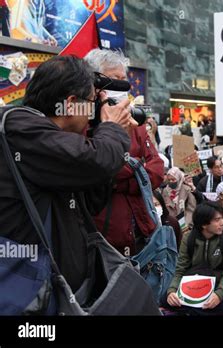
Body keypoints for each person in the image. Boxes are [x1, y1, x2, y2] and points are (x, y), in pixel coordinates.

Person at [0, 56, 132, 296]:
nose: (94, 111)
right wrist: (111, 128)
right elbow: (99, 161)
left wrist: (97, 130)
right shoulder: (20, 128)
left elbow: (92, 199)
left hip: (53, 287)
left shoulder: (52, 137)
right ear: (71, 103)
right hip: (27, 294)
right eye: (92, 102)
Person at [85, 49, 165, 256]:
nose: (121, 85)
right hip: (105, 234)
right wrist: (137, 171)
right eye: (114, 79)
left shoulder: (135, 120)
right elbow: (99, 166)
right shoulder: (84, 122)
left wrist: (123, 179)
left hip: (142, 227)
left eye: (124, 79)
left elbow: (156, 170)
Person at [165, 202, 223, 316]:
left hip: (218, 283)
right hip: (193, 285)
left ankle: (190, 311)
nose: (222, 223)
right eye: (217, 220)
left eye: (222, 218)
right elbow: (180, 268)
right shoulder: (188, 237)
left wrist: (219, 294)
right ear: (204, 224)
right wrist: (172, 291)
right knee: (166, 299)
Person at [161, 167, 198, 232]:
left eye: (173, 179)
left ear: (179, 178)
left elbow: (191, 209)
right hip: (170, 225)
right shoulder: (165, 191)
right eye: (169, 180)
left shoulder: (187, 189)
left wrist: (185, 224)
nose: (171, 182)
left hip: (185, 225)